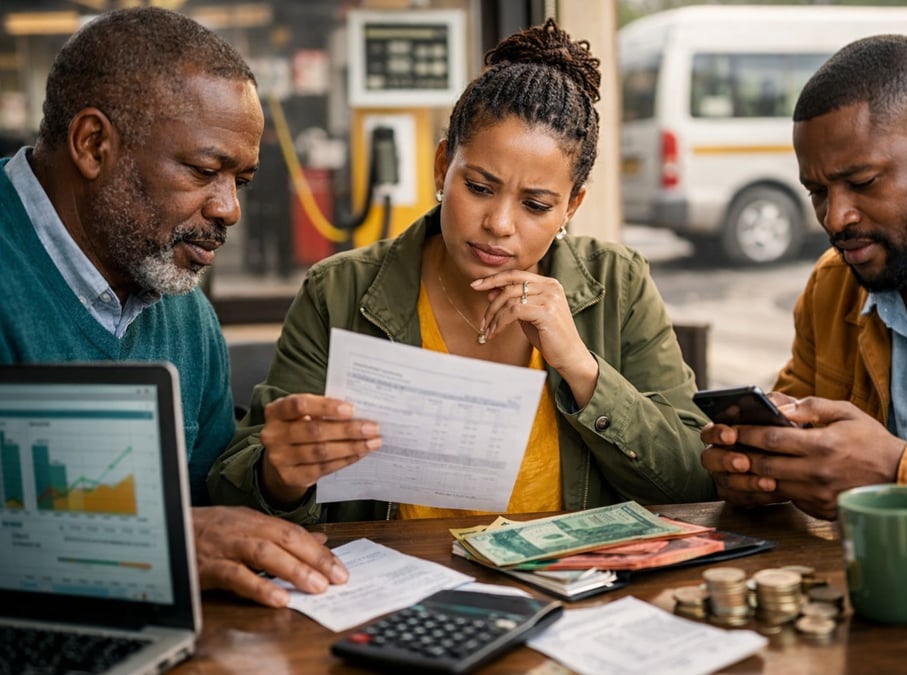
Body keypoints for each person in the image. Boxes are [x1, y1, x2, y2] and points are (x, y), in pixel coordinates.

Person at [208, 19, 715, 523]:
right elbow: (237, 490)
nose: (498, 224)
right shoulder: (339, 290)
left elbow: (695, 476)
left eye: (536, 205)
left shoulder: (617, 285)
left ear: (571, 207)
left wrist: (583, 371)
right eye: (478, 187)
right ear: (441, 167)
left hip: (577, 594)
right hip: (401, 592)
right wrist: (280, 476)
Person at [0, 6, 347, 606]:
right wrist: (159, 546)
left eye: (240, 181)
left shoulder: (189, 316)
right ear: (92, 143)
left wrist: (275, 480)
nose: (228, 210)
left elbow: (216, 522)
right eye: (205, 171)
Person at [699, 34, 907, 547]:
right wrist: (757, 466)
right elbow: (791, 423)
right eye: (817, 192)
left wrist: (897, 469)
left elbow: (886, 469)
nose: (835, 218)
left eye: (862, 182)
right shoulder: (832, 285)